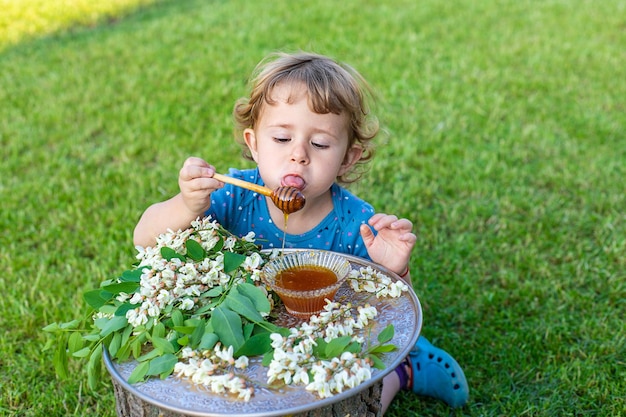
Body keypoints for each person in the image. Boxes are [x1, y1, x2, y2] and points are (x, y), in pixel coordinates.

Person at [134, 51, 469, 411]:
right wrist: (186, 206)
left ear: (347, 158)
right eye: (281, 139)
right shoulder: (231, 196)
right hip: (248, 333)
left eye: (320, 144)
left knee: (357, 389)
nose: (299, 155)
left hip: (325, 338)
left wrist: (396, 269)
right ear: (254, 143)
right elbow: (144, 239)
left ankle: (405, 369)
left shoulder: (356, 223)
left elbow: (390, 312)